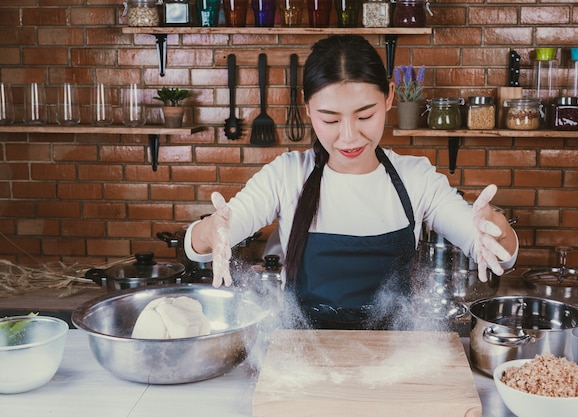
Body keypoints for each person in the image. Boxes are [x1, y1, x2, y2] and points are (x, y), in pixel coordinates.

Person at [185, 34, 518, 329]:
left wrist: (494, 228)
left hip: (396, 361)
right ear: (308, 107)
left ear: (389, 96)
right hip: (304, 360)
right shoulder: (285, 175)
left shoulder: (416, 178)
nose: (349, 137)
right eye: (330, 119)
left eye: (365, 116)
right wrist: (211, 230)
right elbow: (202, 244)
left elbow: (495, 251)